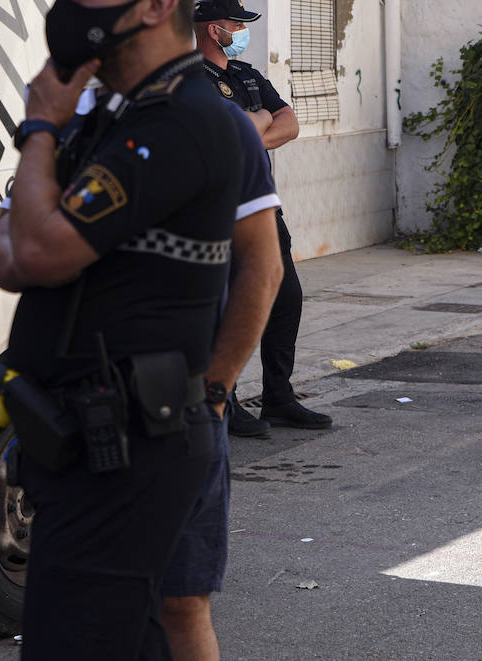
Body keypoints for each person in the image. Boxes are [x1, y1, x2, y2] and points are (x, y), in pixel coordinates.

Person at [0, 0, 239, 659]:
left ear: (159, 3)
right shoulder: (118, 119)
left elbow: (34, 252)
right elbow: (8, 252)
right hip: (92, 442)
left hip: (127, 445)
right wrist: (33, 212)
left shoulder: (180, 121)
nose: (69, 6)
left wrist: (39, 128)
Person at [160, 101, 284, 661]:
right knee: (89, 602)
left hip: (179, 408)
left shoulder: (215, 121)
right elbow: (18, 255)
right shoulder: (73, 118)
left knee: (182, 602)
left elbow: (264, 269)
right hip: (81, 413)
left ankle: (273, 397)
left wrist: (216, 392)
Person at [194, 0, 332, 435]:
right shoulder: (189, 79)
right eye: (237, 25)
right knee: (226, 309)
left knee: (285, 298)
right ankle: (224, 403)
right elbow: (219, 138)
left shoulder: (247, 74)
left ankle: (279, 398)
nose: (243, 32)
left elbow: (288, 123)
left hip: (261, 207)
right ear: (215, 30)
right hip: (218, 214)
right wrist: (253, 124)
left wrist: (248, 133)